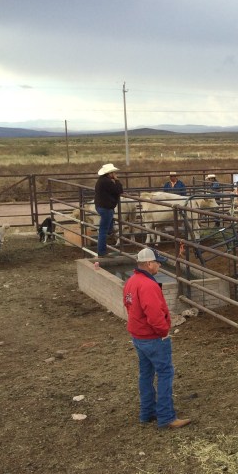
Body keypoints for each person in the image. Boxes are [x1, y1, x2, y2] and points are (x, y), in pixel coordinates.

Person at [123, 247, 191, 429]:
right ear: (149, 264)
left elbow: (128, 305)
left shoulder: (131, 281)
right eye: (157, 262)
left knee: (146, 374)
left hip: (138, 335)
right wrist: (163, 331)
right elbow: (154, 314)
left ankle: (147, 412)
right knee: (165, 373)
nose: (159, 265)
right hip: (153, 337)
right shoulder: (148, 285)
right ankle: (166, 417)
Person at [93, 163, 123, 258]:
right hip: (106, 207)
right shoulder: (107, 182)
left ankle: (110, 230)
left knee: (106, 226)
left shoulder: (101, 181)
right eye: (113, 172)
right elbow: (119, 190)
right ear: (109, 173)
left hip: (101, 206)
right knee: (103, 230)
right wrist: (117, 180)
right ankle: (102, 252)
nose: (114, 174)